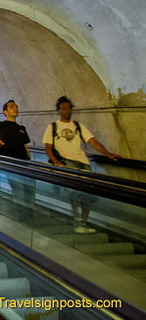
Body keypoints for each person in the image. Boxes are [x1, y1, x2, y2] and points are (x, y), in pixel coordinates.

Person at [43, 96, 121, 234]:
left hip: (83, 163)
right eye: (64, 108)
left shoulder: (78, 126)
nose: (67, 111)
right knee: (74, 193)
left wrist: (108, 153)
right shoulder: (53, 127)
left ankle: (83, 222)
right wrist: (57, 162)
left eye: (69, 108)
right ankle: (76, 221)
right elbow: (48, 147)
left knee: (88, 195)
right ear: (59, 110)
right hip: (66, 162)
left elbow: (92, 141)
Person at [0, 100, 35, 224]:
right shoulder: (0, 125)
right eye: (11, 107)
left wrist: (30, 163)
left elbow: (26, 147)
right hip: (10, 164)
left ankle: (30, 216)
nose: (15, 108)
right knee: (19, 189)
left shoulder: (22, 128)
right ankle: (24, 217)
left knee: (30, 189)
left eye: (16, 106)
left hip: (24, 163)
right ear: (5, 112)